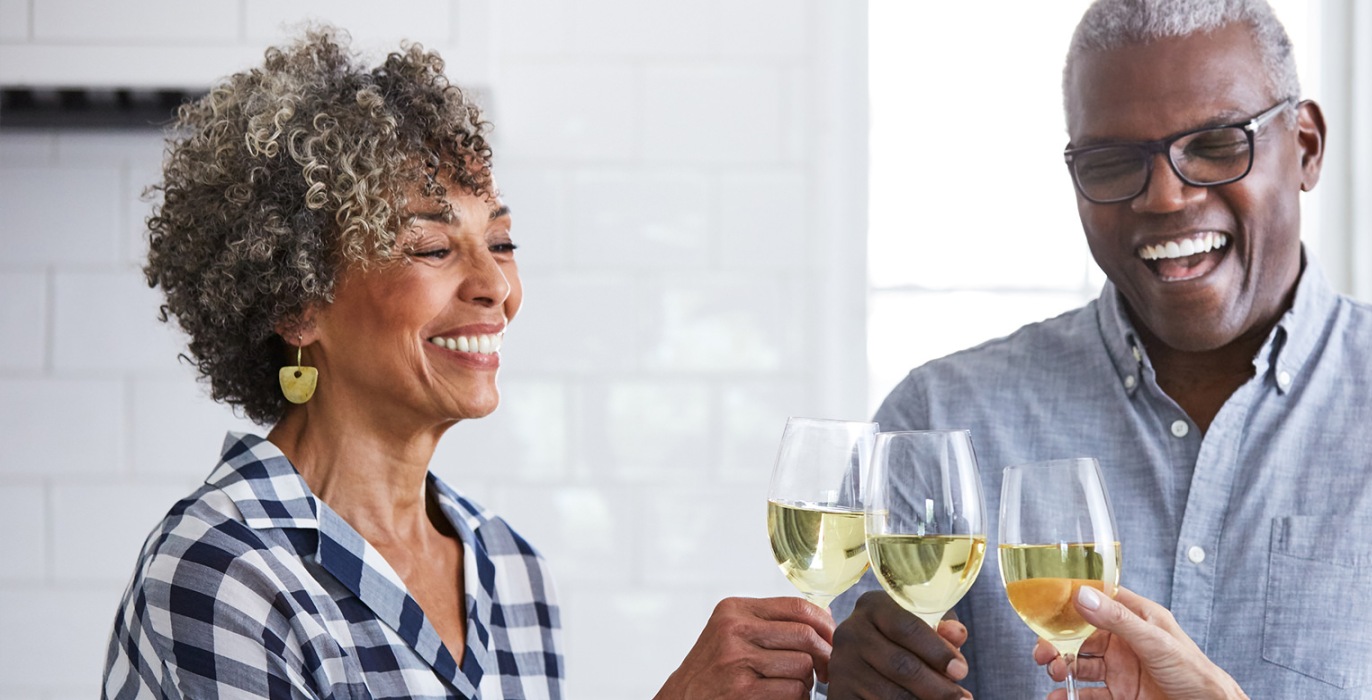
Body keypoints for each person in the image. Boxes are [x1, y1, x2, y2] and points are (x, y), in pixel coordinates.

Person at [825, 1, 1372, 698]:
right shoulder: (941, 420)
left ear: (1305, 148)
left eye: (1216, 145)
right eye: (1112, 162)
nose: (1165, 195)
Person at [101, 28, 832, 700]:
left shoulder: (511, 572)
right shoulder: (227, 571)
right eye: (432, 247)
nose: (495, 287)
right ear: (298, 302)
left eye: (502, 243)